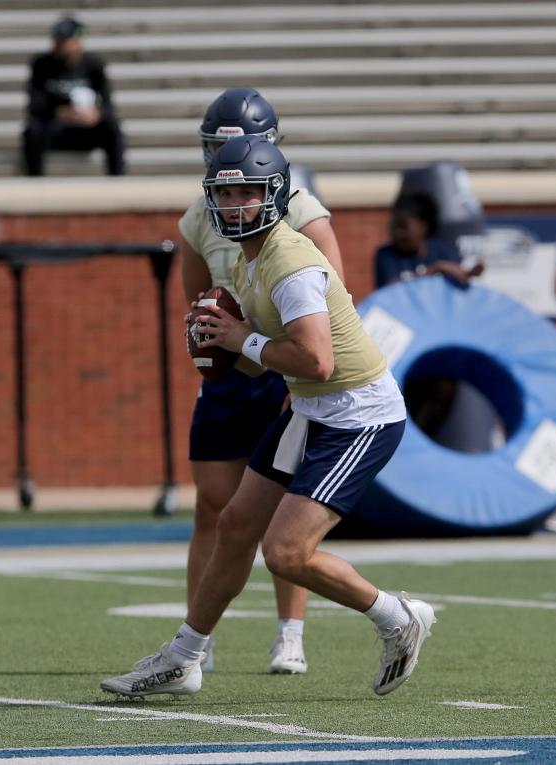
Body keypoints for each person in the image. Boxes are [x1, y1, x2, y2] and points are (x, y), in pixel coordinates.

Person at [101, 135, 435, 699]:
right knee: (233, 526)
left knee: (284, 552)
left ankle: (396, 616)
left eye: (245, 193)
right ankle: (184, 658)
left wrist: (242, 338)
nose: (233, 205)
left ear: (273, 195)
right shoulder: (248, 258)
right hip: (309, 406)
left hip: (356, 413)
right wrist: (222, 346)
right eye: (224, 193)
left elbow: (318, 359)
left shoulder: (288, 260)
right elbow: (265, 366)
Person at [180, 87, 346, 675]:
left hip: (285, 374)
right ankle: (198, 638)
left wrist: (255, 338)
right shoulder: (199, 216)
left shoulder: (304, 213)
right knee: (213, 509)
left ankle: (291, 633)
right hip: (232, 376)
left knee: (286, 513)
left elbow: (330, 304)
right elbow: (196, 300)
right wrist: (211, 335)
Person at [22, 16, 125, 176]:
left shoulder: (94, 64)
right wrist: (60, 113)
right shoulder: (41, 64)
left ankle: (118, 179)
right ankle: (35, 182)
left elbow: (108, 104)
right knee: (32, 131)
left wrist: (95, 115)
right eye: (57, 39)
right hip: (57, 128)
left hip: (86, 129)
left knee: (112, 127)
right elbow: (35, 105)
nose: (58, 44)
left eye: (64, 40)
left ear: (77, 41)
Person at [374, 192, 482, 289]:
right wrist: (435, 269)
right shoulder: (386, 255)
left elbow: (461, 283)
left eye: (403, 226)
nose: (398, 232)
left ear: (423, 226)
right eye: (394, 226)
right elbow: (391, 292)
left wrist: (468, 274)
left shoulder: (441, 251)